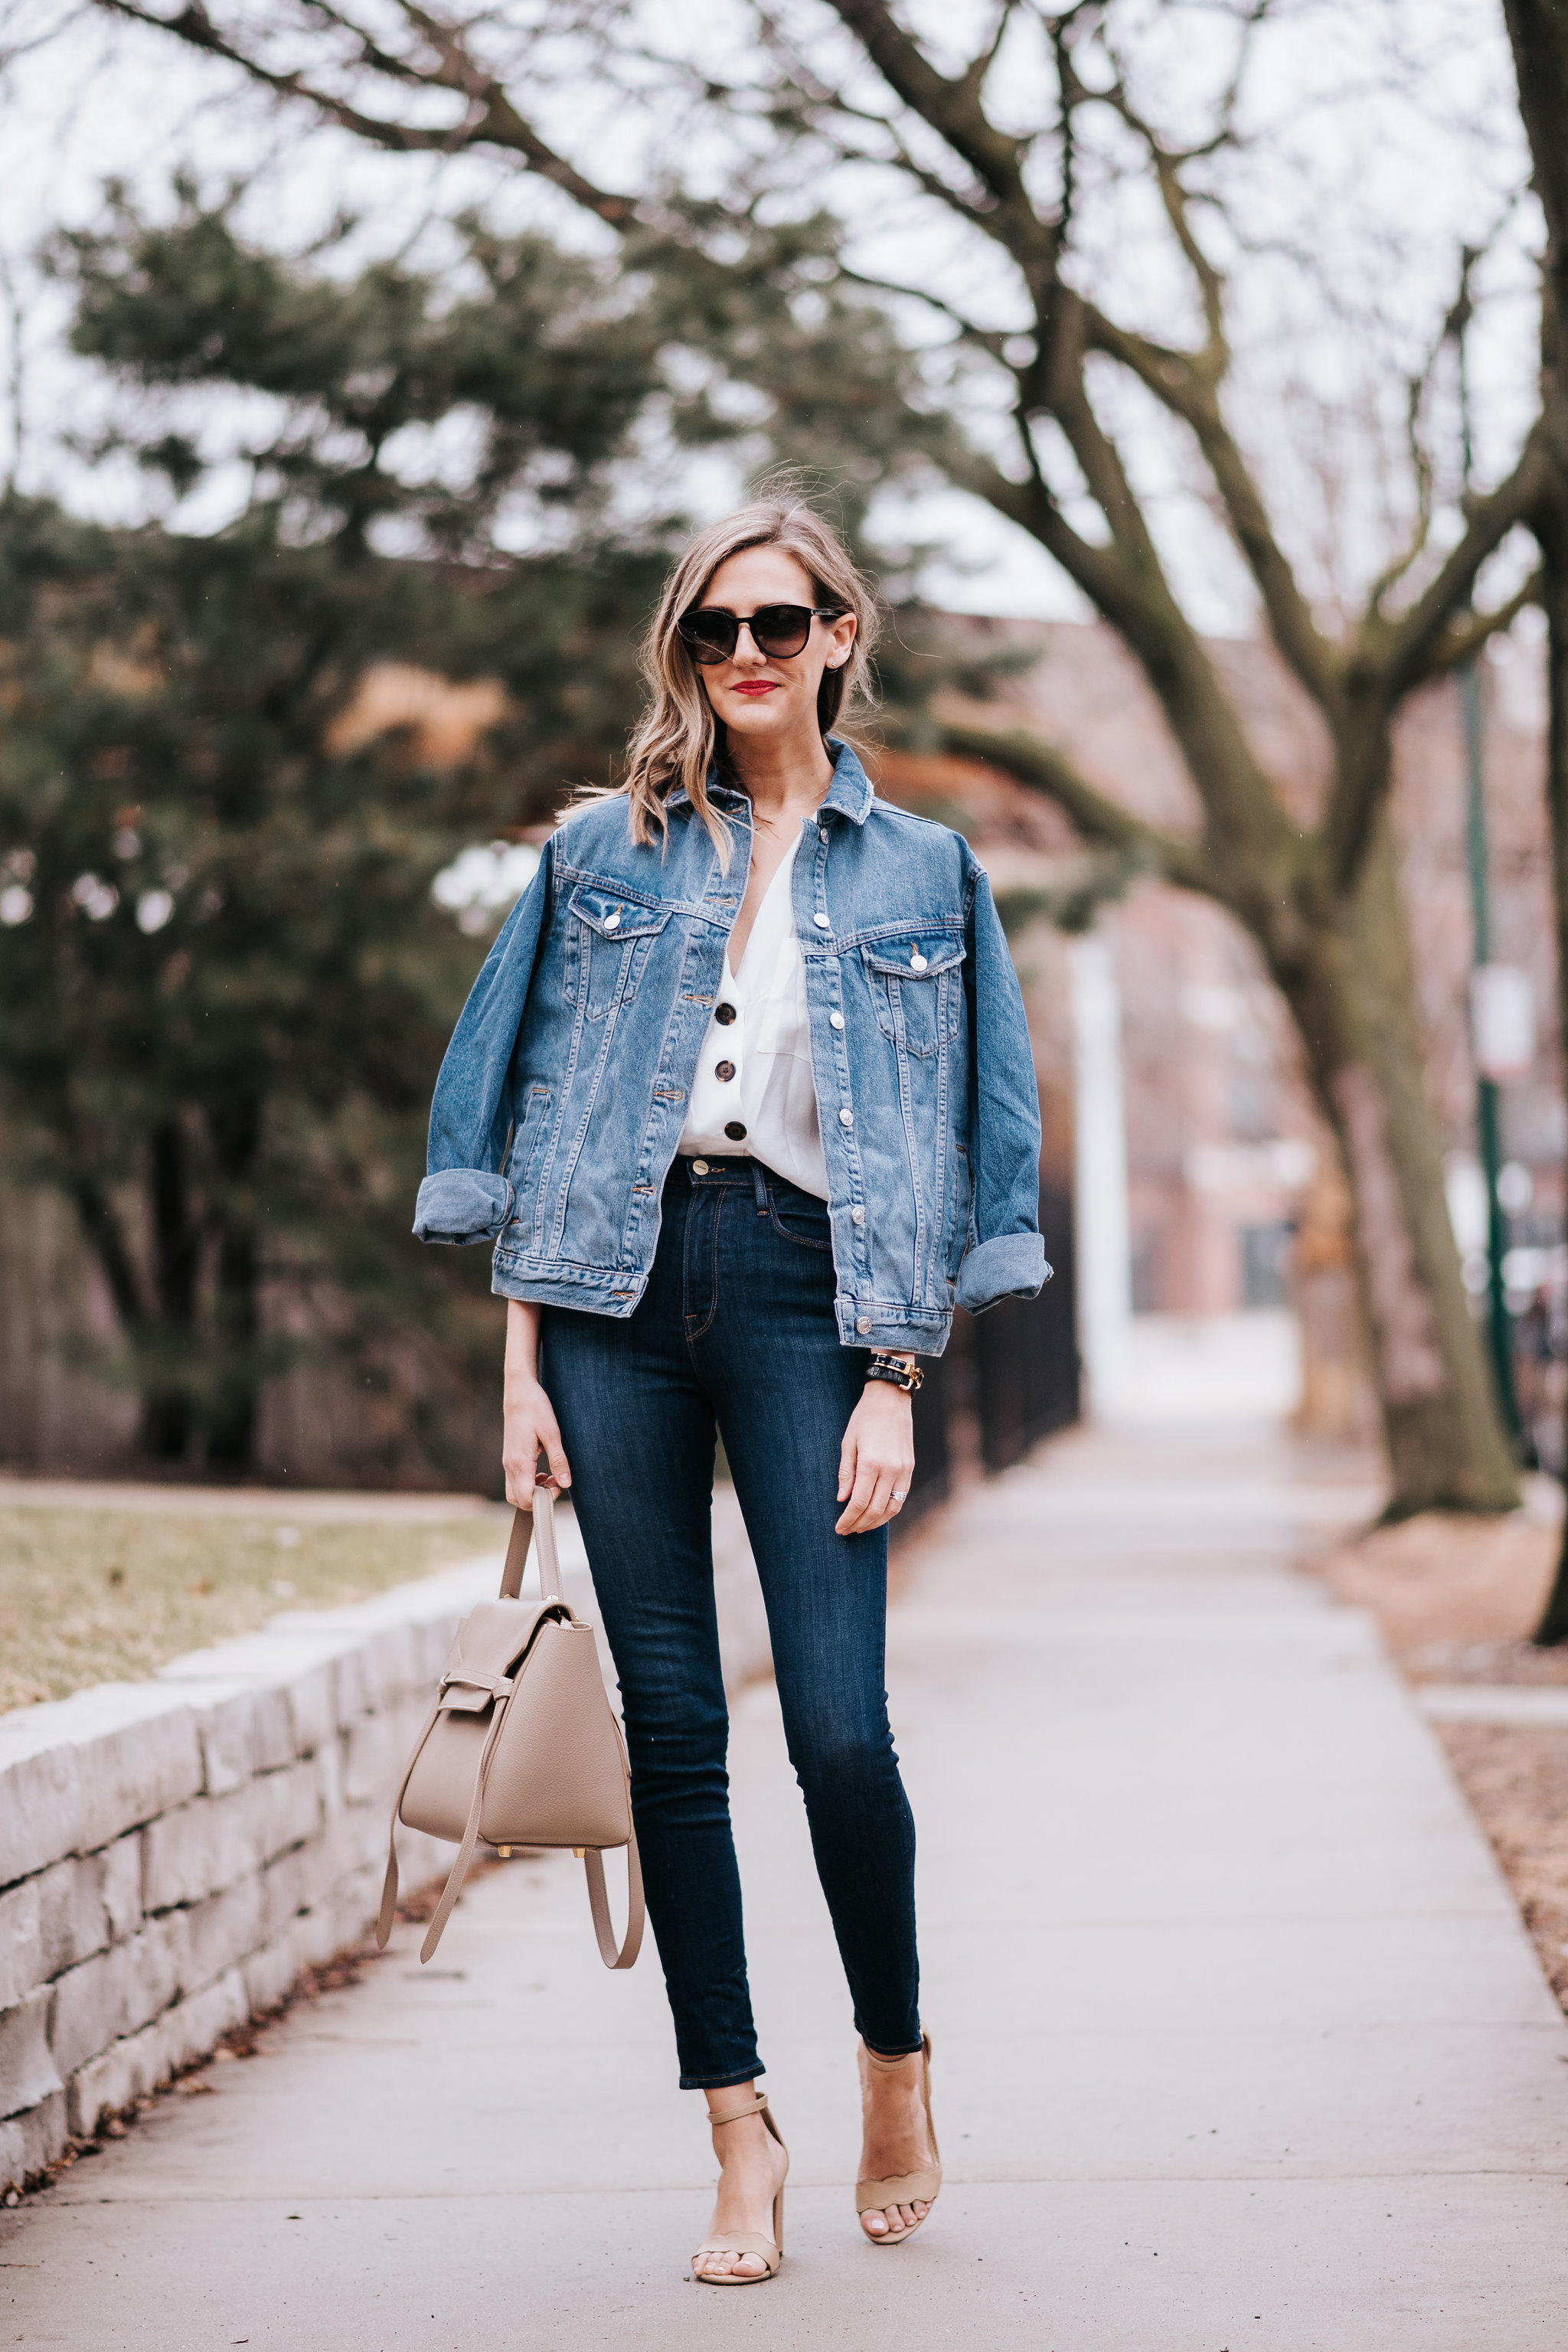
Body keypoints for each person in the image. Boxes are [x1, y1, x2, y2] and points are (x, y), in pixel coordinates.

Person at [414, 492, 1047, 2282]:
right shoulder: (600, 852)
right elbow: (510, 1097)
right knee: (675, 1735)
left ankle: (895, 2055)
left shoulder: (925, 872)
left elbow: (964, 1138)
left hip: (808, 1297)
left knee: (837, 1728)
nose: (746, 659)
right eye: (714, 631)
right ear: (685, 652)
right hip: (608, 1302)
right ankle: (736, 2125)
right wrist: (520, 1365)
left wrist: (896, 1373)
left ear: (840, 636)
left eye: (777, 626)